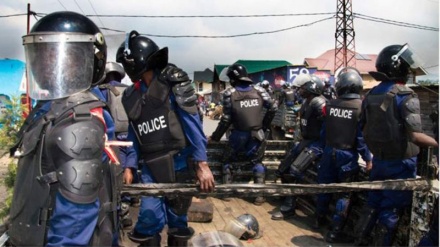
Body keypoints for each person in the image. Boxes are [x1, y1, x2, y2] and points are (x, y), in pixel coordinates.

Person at [8, 11, 119, 246]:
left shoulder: (79, 120)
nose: (46, 64)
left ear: (90, 62)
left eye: (58, 56)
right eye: (42, 55)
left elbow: (76, 218)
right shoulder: (49, 109)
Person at [116, 31, 215, 247]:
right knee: (149, 216)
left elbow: (193, 126)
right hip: (151, 166)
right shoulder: (132, 94)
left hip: (180, 160)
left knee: (178, 218)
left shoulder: (173, 81)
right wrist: (129, 166)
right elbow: (135, 132)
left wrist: (202, 164)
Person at [354, 43, 438, 246]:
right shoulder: (405, 95)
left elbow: (362, 128)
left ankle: (359, 241)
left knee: (372, 205)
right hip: (401, 164)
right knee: (390, 212)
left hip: (379, 161)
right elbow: (416, 136)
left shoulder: (371, 94)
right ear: (398, 66)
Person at [312, 68, 372, 242]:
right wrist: (368, 159)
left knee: (324, 188)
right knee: (344, 195)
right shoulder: (360, 107)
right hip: (347, 156)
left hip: (329, 151)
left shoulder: (329, 105)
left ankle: (318, 221)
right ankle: (334, 232)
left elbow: (324, 133)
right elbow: (360, 139)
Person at [209, 63, 277, 205]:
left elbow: (226, 119)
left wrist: (215, 137)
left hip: (238, 135)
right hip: (257, 135)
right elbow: (273, 107)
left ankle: (227, 191)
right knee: (257, 162)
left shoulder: (229, 93)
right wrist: (263, 127)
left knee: (227, 160)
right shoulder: (259, 90)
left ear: (233, 78)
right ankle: (259, 196)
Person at [271, 73, 327, 220]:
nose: (299, 90)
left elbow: (328, 125)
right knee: (283, 168)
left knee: (295, 170)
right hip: (306, 140)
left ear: (311, 87)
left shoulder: (319, 102)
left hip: (317, 143)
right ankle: (286, 198)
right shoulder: (307, 102)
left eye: (302, 87)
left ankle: (288, 209)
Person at [96, 62, 139, 228]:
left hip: (113, 137)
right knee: (132, 165)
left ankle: (122, 210)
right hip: (132, 134)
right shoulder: (130, 89)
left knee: (115, 172)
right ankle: (132, 198)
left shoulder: (102, 91)